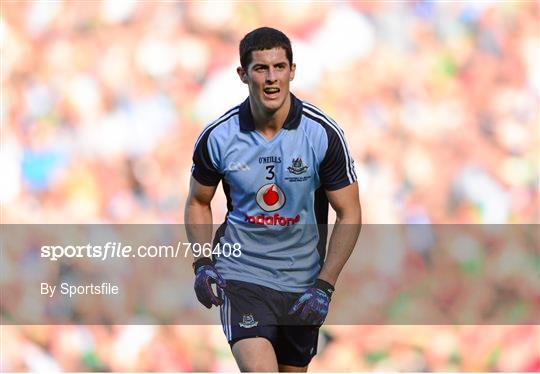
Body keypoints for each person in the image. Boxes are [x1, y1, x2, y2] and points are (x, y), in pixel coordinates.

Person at [185, 27, 361, 372]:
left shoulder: (322, 134)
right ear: (242, 74)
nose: (271, 78)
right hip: (243, 276)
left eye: (279, 67)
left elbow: (350, 212)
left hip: (302, 284)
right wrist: (202, 262)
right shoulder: (219, 137)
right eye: (260, 68)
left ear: (292, 71)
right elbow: (197, 201)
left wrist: (325, 286)